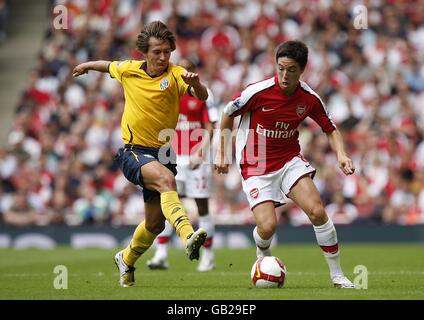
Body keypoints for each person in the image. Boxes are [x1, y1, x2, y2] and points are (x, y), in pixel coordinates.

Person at [72, 21, 209, 287]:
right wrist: (87, 65)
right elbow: (108, 65)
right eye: (157, 52)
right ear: (144, 52)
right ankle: (187, 235)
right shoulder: (129, 70)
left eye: (167, 51)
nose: (162, 57)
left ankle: (126, 259)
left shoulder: (177, 74)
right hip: (134, 151)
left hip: (164, 154)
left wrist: (198, 83)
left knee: (155, 224)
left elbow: (201, 96)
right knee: (168, 182)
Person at [214, 40, 355, 288]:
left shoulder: (309, 98)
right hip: (255, 164)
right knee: (268, 226)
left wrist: (342, 155)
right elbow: (226, 114)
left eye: (291, 70)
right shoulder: (256, 92)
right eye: (280, 68)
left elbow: (330, 129)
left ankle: (337, 275)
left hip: (289, 160)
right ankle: (262, 252)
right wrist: (222, 153)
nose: (284, 75)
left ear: (302, 70)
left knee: (317, 211)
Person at [147, 58, 218, 272]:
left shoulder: (204, 93)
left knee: (202, 207)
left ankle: (208, 255)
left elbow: (210, 125)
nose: (184, 73)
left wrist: (202, 151)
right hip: (173, 158)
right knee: (168, 205)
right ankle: (160, 255)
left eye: (189, 69)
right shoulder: (168, 91)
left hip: (197, 158)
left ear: (195, 72)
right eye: (181, 69)